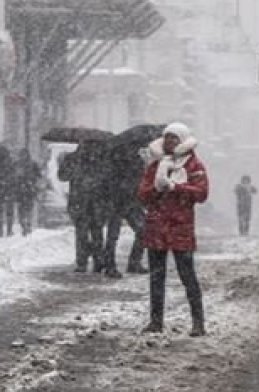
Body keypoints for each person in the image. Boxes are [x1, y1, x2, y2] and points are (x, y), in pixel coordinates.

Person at [137, 122, 210, 336]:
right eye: (167, 137)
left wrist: (177, 187)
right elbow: (142, 194)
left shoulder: (194, 166)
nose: (169, 142)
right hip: (157, 227)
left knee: (188, 276)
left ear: (183, 141)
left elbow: (202, 193)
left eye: (174, 138)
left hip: (181, 228)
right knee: (156, 278)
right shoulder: (154, 165)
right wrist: (156, 189)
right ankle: (155, 321)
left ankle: (198, 323)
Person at [58, 140, 108, 273]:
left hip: (91, 201)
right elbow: (62, 176)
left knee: (93, 232)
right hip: (83, 201)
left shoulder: (98, 159)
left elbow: (106, 179)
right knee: (85, 232)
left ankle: (93, 261)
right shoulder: (73, 159)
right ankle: (86, 261)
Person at [101, 142, 150, 278]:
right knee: (114, 235)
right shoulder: (115, 160)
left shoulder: (136, 160)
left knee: (142, 230)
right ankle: (111, 265)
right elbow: (107, 181)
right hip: (118, 201)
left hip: (129, 201)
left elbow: (141, 180)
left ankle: (131, 263)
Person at [10, 149, 42, 236]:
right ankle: (25, 225)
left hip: (25, 190)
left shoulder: (18, 164)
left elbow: (39, 176)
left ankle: (26, 225)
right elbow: (39, 175)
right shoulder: (26, 164)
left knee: (25, 209)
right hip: (26, 190)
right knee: (24, 210)